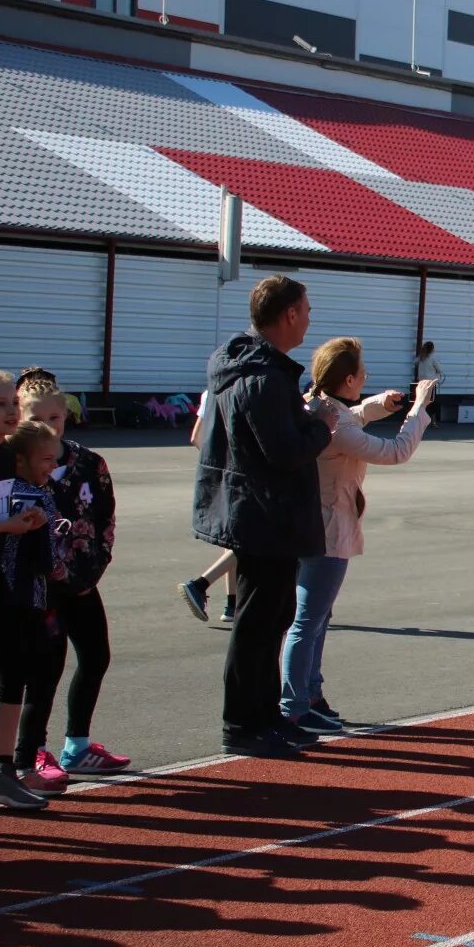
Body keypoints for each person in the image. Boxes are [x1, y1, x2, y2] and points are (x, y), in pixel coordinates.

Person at [192, 275, 339, 759]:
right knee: (257, 622)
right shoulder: (261, 377)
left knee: (271, 616)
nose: (311, 318)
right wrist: (319, 426)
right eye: (307, 309)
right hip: (262, 513)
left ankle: (264, 715)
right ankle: (243, 722)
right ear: (289, 314)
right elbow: (282, 452)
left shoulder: (255, 370)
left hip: (260, 510)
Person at [281, 339, 433, 734]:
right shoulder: (334, 420)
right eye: (362, 373)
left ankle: (309, 697)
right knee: (308, 621)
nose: (365, 377)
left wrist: (380, 405)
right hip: (329, 527)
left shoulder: (316, 404)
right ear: (347, 378)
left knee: (315, 618)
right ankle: (295, 705)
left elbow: (347, 418)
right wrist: (418, 409)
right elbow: (395, 451)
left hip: (316, 521)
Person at [16, 370, 127, 777]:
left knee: (96, 657)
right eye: (38, 419)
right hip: (41, 589)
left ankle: (76, 746)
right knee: (45, 670)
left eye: (55, 418)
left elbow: (105, 518)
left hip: (82, 583)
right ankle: (35, 751)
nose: (48, 427)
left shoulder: (89, 464)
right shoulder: (19, 468)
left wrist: (93, 566)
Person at [0, 373, 55, 808]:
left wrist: (30, 521)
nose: (10, 411)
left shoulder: (8, 457)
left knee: (10, 666)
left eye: (12, 403)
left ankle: (0, 767)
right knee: (9, 665)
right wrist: (5, 525)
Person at [178, 391, 239, 624]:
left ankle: (232, 605)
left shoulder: (211, 391)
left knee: (232, 542)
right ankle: (200, 584)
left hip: (220, 475)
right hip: (245, 474)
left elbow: (196, 437)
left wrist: (219, 463)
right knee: (255, 539)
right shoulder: (252, 386)